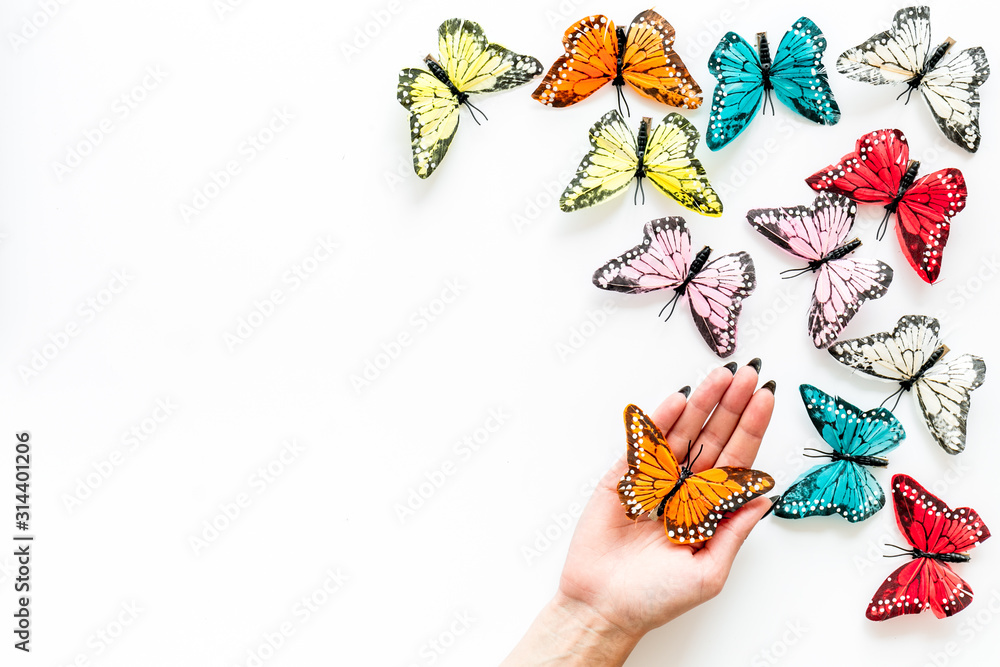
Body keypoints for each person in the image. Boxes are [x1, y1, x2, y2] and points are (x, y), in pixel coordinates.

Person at [501, 360, 776, 666]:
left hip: (654, 489)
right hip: (688, 506)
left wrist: (594, 618)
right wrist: (597, 616)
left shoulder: (669, 466)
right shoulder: (705, 482)